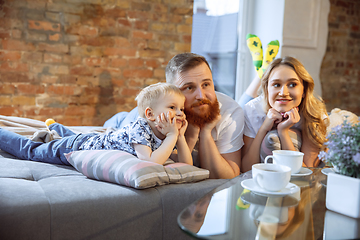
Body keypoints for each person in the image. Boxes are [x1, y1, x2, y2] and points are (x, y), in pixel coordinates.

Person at [105, 53, 245, 179]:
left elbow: (230, 175)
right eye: (189, 87)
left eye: (206, 84)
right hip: (124, 120)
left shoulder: (230, 113)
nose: (201, 96)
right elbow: (137, 155)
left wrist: (206, 133)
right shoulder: (153, 116)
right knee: (115, 124)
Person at [0, 83, 192, 166]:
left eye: (181, 109)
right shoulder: (141, 128)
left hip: (93, 140)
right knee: (31, 152)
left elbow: (186, 164)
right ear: (150, 114)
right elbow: (148, 162)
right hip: (76, 147)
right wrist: (172, 136)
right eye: (173, 107)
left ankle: (57, 128)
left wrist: (180, 136)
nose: (180, 113)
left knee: (82, 136)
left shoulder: (167, 132)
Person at [241, 56, 328, 172]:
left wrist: (283, 132)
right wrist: (263, 128)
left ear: (304, 90)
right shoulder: (253, 111)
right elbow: (246, 169)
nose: (283, 93)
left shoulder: (314, 114)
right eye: (276, 85)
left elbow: (307, 171)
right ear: (267, 89)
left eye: (292, 84)